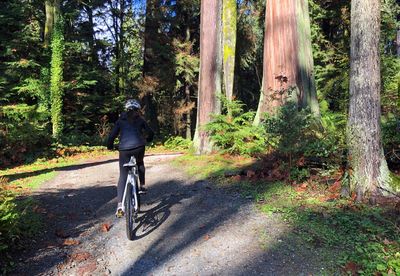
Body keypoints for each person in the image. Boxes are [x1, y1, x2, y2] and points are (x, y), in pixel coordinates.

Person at [107, 99, 154, 217]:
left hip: (124, 150)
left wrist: (110, 146)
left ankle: (120, 205)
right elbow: (150, 132)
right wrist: (148, 139)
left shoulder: (120, 121)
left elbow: (111, 136)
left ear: (126, 110)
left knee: (123, 175)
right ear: (138, 110)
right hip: (139, 147)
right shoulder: (140, 120)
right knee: (140, 163)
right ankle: (142, 186)